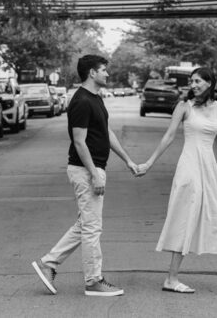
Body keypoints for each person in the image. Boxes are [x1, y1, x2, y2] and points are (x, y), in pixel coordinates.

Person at [138, 66, 217, 294]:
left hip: (209, 168)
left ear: (209, 83)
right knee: (186, 216)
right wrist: (149, 163)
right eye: (191, 81)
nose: (192, 85)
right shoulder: (184, 107)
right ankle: (171, 279)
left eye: (197, 81)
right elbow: (169, 136)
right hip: (189, 167)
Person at [32, 55, 140, 297]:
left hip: (93, 168)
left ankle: (49, 263)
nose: (107, 74)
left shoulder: (95, 98)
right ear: (92, 72)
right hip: (85, 170)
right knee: (92, 228)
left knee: (85, 225)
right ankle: (93, 280)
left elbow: (106, 133)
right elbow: (79, 142)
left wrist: (128, 160)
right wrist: (94, 174)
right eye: (104, 70)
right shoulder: (81, 101)